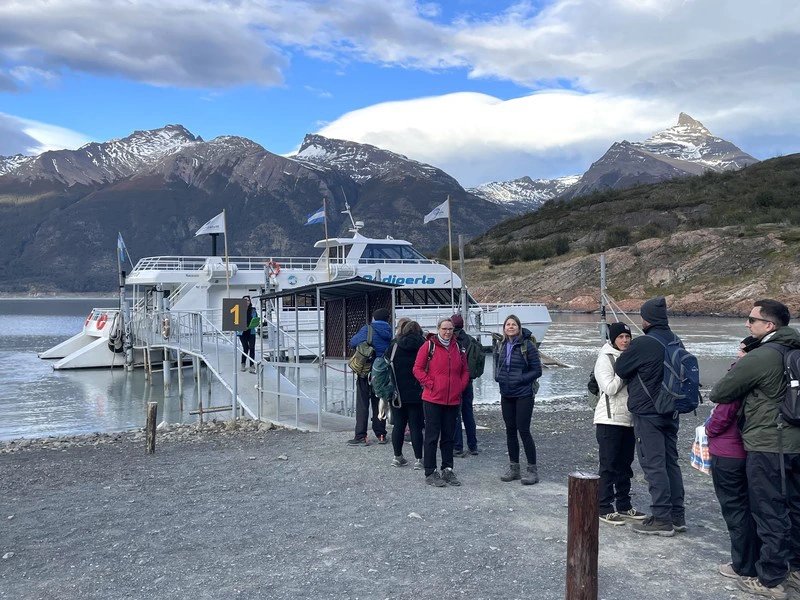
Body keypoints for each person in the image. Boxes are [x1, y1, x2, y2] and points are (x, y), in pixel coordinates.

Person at [710, 300, 800, 599]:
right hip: (796, 444)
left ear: (769, 326)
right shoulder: (796, 351)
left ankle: (771, 580)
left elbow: (720, 392)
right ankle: (795, 570)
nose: (748, 325)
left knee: (769, 511)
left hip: (768, 444)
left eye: (752, 320)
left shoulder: (763, 356)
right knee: (796, 509)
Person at [614, 296, 686, 536]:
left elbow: (621, 368)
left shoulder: (644, 343)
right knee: (670, 462)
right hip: (671, 409)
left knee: (653, 464)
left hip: (648, 411)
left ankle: (662, 519)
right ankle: (677, 515)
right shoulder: (676, 341)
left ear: (647, 319)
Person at [707, 336, 761, 582]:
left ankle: (743, 564)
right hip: (753, 450)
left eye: (740, 350)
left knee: (735, 508)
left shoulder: (740, 376)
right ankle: (757, 559)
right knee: (753, 507)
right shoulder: (769, 376)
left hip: (729, 451)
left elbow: (724, 411)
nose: (737, 354)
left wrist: (709, 429)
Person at [593, 322, 646, 526]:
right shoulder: (604, 359)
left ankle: (624, 505)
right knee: (608, 465)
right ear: (612, 339)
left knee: (625, 465)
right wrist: (624, 371)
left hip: (629, 419)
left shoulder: (631, 357)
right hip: (609, 419)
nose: (625, 340)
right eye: (620, 337)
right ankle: (604, 506)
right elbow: (609, 388)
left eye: (627, 337)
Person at [413, 318, 469, 487]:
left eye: (450, 329)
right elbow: (417, 368)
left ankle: (448, 469)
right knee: (431, 436)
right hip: (433, 399)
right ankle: (430, 471)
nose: (448, 332)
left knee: (448, 437)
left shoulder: (458, 348)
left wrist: (460, 386)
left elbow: (465, 370)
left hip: (452, 399)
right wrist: (431, 384)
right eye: (444, 328)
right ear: (438, 329)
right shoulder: (428, 346)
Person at [495, 315, 542, 485]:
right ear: (504, 328)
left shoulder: (527, 346)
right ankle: (514, 468)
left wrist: (521, 378)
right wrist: (498, 378)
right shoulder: (500, 345)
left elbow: (537, 370)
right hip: (506, 394)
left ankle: (532, 469)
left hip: (523, 394)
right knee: (510, 430)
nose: (510, 327)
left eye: (513, 324)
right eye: (508, 324)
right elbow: (497, 365)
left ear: (519, 327)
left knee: (523, 430)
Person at [347, 307, 393, 446]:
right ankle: (381, 434)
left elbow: (353, 342)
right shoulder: (389, 331)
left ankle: (361, 436)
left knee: (362, 403)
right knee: (379, 401)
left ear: (374, 318)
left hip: (366, 371)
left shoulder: (368, 329)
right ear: (387, 319)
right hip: (382, 373)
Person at [387, 320, 426, 470]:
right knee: (416, 427)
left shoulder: (394, 346)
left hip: (397, 394)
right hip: (418, 393)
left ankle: (398, 457)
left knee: (398, 425)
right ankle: (419, 460)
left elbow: (385, 364)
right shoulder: (424, 346)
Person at [451, 314, 479, 457]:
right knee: (468, 413)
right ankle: (473, 445)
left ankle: (457, 447)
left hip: (455, 382)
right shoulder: (470, 340)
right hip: (468, 382)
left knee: (456, 414)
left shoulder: (451, 341)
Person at [238, 295, 258, 373]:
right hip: (242, 332)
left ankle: (252, 365)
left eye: (248, 300)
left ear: (250, 302)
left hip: (251, 331)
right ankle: (243, 364)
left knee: (252, 348)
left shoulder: (253, 310)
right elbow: (236, 322)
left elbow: (256, 319)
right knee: (245, 348)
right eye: (245, 300)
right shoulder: (238, 310)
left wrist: (254, 323)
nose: (246, 301)